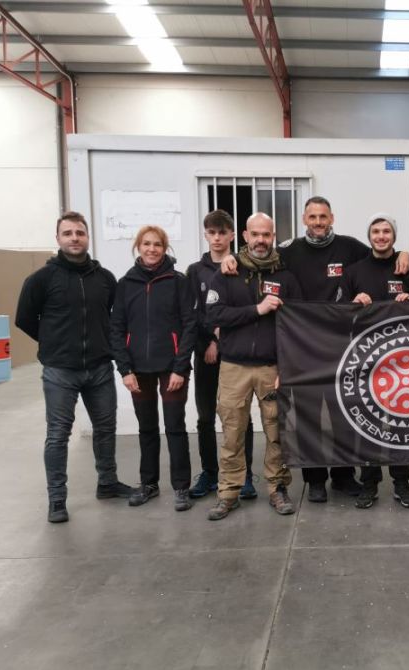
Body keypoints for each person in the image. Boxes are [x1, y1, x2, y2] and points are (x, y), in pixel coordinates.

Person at [223, 196, 409, 503]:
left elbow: (381, 254)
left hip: (342, 343)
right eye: (313, 217)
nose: (318, 222)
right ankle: (315, 479)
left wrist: (404, 252)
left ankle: (343, 476)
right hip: (303, 343)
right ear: (304, 219)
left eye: (323, 216)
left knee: (342, 412)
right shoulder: (288, 251)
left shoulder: (351, 248)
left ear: (332, 218)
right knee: (309, 413)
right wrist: (229, 258)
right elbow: (257, 258)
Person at [15, 211, 133, 523]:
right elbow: (25, 318)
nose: (74, 238)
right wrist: (52, 343)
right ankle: (57, 498)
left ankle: (107, 482)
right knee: (58, 434)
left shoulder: (104, 278)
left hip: (98, 368)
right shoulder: (42, 279)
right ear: (58, 239)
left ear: (87, 237)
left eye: (79, 233)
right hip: (60, 371)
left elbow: (114, 318)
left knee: (106, 428)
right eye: (68, 233)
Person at [205, 213, 302, 520]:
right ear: (245, 236)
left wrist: (287, 367)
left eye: (267, 235)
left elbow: (297, 325)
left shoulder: (286, 277)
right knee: (233, 433)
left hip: (272, 368)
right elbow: (213, 316)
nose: (261, 240)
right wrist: (257, 310)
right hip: (234, 367)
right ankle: (228, 493)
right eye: (255, 234)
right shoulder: (226, 274)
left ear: (273, 236)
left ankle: (277, 489)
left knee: (277, 432)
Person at [337, 213, 409, 509]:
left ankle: (402, 483)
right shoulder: (353, 272)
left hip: (402, 362)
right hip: (364, 359)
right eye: (375, 231)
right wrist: (353, 304)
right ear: (369, 236)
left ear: (394, 236)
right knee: (367, 424)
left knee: (401, 425)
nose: (380, 236)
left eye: (386, 231)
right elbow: (338, 315)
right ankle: (369, 484)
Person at [110, 226, 197, 512]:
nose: (151, 249)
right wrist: (124, 369)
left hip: (172, 369)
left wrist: (180, 368)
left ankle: (181, 487)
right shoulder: (125, 284)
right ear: (138, 246)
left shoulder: (178, 281)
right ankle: (148, 484)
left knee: (175, 426)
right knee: (147, 427)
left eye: (157, 244)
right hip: (138, 370)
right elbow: (117, 328)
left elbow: (189, 326)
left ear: (165, 247)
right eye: (146, 244)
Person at [186, 210, 256, 501]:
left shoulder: (242, 268)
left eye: (222, 233)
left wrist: (223, 338)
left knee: (240, 417)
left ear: (232, 236)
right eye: (211, 232)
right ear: (205, 235)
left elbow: (242, 310)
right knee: (205, 417)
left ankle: (246, 475)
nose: (216, 238)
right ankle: (210, 473)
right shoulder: (195, 271)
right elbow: (192, 314)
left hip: (236, 353)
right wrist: (207, 344)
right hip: (207, 356)